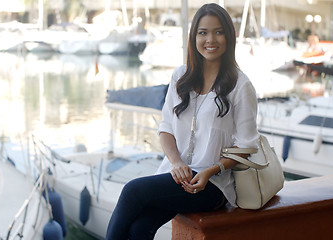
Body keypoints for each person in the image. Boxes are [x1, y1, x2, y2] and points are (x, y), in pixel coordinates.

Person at [105, 3, 259, 239]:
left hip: (212, 184)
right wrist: (176, 162)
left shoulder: (241, 85)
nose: (211, 39)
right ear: (193, 37)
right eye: (203, 32)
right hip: (175, 176)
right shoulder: (181, 76)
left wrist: (211, 171)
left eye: (218, 32)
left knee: (132, 191)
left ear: (229, 36)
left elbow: (247, 146)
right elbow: (166, 128)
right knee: (139, 229)